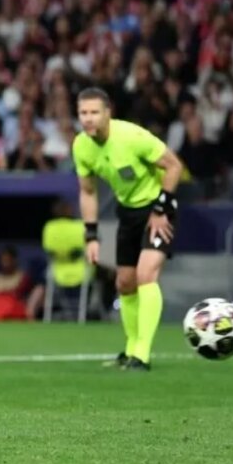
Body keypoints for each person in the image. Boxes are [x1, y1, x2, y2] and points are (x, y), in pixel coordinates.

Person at [73, 87, 183, 371]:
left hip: (157, 210)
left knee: (146, 275)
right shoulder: (81, 146)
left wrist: (161, 210)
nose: (88, 118)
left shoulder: (133, 137)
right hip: (128, 213)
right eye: (83, 113)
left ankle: (142, 355)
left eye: (94, 112)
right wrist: (91, 235)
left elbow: (174, 166)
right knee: (124, 283)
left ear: (108, 113)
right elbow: (88, 191)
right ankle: (131, 348)